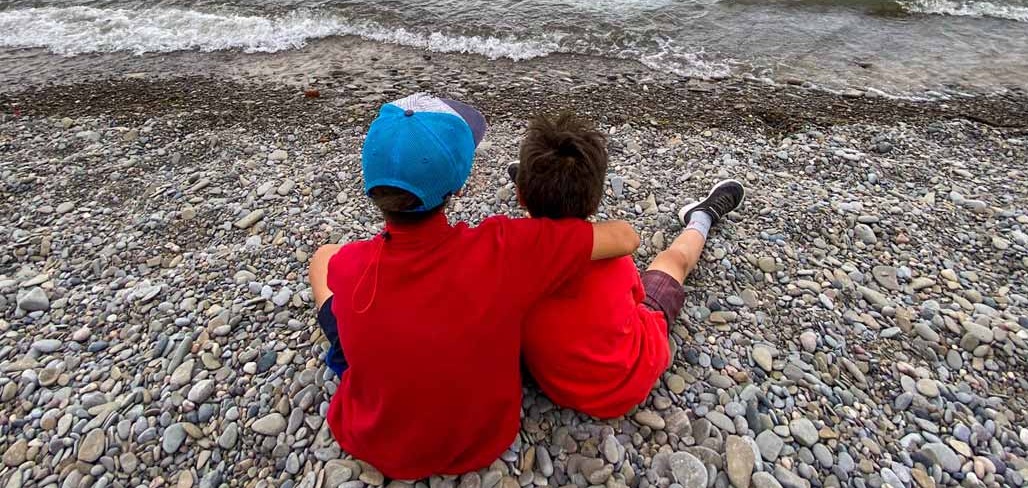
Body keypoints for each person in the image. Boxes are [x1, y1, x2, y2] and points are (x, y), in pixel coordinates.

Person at [308, 94, 640, 479]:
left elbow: (335, 268)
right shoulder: (504, 248)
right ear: (459, 188)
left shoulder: (351, 266)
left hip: (376, 441)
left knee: (323, 259)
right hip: (483, 439)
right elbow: (623, 237)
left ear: (372, 187)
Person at [513, 112, 744, 418]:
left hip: (554, 384)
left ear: (519, 198)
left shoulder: (509, 263)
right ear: (595, 203)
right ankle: (702, 217)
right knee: (673, 263)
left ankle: (544, 188)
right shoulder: (615, 263)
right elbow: (635, 303)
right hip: (633, 376)